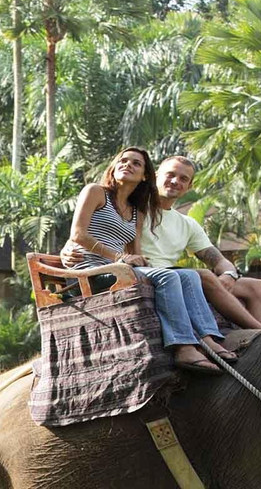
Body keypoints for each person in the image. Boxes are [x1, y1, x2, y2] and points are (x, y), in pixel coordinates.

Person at [65, 146, 234, 374]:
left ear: (145, 176)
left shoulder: (136, 211)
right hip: (89, 271)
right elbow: (78, 235)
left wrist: (137, 260)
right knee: (167, 277)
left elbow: (135, 254)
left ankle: (207, 338)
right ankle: (183, 347)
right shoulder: (95, 192)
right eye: (123, 160)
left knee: (189, 275)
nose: (128, 164)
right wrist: (119, 257)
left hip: (118, 270)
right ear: (114, 167)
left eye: (136, 163)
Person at [63, 155, 261, 330]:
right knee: (201, 275)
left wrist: (229, 275)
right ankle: (260, 332)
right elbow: (93, 231)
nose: (175, 181)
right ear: (155, 176)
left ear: (189, 186)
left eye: (183, 179)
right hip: (150, 275)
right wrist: (68, 248)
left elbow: (219, 260)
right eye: (170, 175)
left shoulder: (188, 223)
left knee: (256, 286)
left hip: (179, 278)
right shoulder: (134, 209)